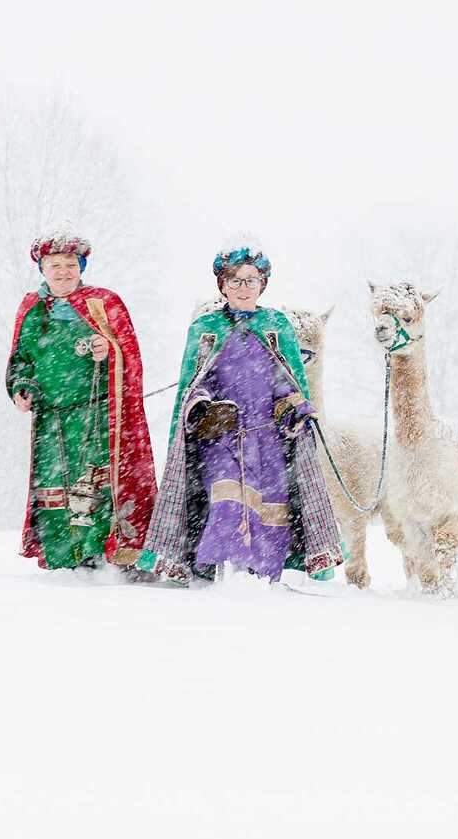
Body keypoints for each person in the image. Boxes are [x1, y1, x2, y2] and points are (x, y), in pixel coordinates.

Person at [138, 241, 343, 583]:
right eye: (235, 280)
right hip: (222, 438)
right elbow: (196, 382)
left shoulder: (276, 326)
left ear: (263, 284)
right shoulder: (206, 329)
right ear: (223, 285)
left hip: (268, 440)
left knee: (271, 512)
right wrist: (201, 407)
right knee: (226, 502)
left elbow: (287, 381)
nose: (243, 288)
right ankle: (218, 575)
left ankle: (262, 580)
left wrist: (292, 407)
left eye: (251, 280)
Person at [5, 227, 157, 570]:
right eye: (55, 265)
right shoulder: (32, 309)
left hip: (95, 413)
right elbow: (21, 359)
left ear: (81, 267)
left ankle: (99, 553)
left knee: (93, 481)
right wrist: (22, 387)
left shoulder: (103, 303)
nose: (63, 272)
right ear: (43, 268)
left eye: (71, 264)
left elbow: (128, 354)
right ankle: (63, 557)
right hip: (50, 418)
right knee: (54, 485)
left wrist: (109, 350)